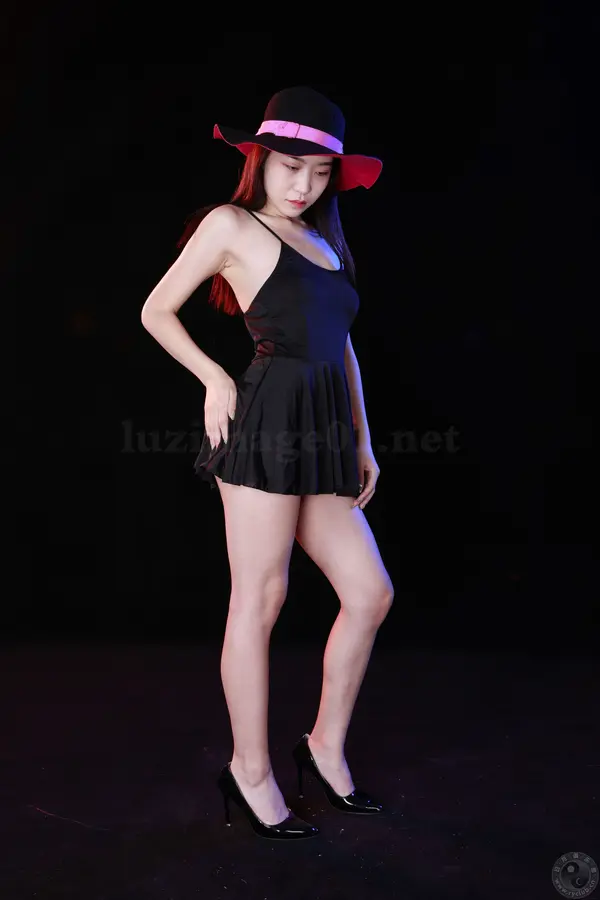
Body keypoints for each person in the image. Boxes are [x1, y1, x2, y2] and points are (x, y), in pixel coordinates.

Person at [141, 86, 395, 840]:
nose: (303, 185)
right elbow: (156, 310)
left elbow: (341, 347)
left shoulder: (324, 242)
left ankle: (323, 748)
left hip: (324, 434)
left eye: (319, 173)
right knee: (261, 598)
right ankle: (249, 770)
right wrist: (214, 377)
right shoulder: (232, 225)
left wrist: (362, 438)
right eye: (290, 167)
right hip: (264, 425)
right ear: (259, 160)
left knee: (370, 593)